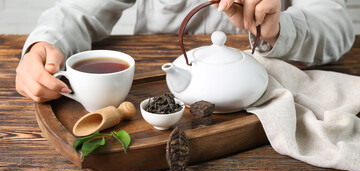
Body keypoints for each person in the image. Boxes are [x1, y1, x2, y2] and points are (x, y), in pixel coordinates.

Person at [15, 0, 355, 103]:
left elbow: (339, 26)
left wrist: (280, 27)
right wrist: (44, 44)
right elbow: (79, 11)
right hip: (157, 90)